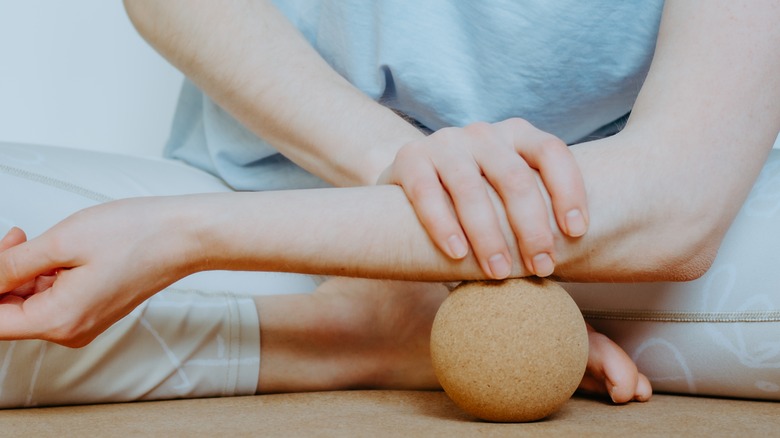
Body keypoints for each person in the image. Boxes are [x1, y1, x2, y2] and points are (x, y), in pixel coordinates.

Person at [0, 0, 778, 407]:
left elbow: (676, 200)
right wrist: (393, 162)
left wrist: (181, 236)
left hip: (621, 251)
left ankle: (361, 326)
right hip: (292, 197)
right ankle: (365, 325)